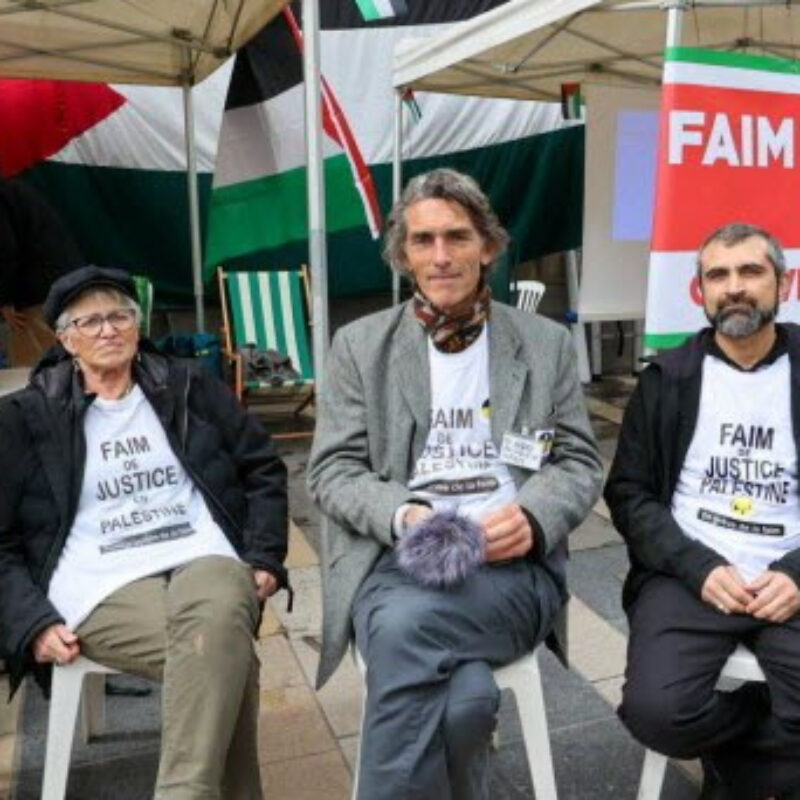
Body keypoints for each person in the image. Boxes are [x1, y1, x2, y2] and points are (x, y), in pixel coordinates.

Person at [307, 168, 603, 799]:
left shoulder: (544, 343)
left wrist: (533, 516)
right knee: (465, 703)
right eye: (423, 240)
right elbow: (332, 471)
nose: (441, 257)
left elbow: (578, 460)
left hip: (512, 571)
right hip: (400, 563)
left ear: (488, 246)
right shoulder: (361, 346)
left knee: (406, 632)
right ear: (403, 253)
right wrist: (405, 516)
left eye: (457, 237)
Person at [0, 265, 289, 799]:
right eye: (90, 322)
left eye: (119, 316)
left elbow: (262, 468)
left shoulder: (188, 386)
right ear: (66, 340)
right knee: (224, 651)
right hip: (100, 580)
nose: (108, 330)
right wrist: (29, 622)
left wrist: (266, 556)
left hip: (202, 555)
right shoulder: (26, 416)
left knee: (217, 624)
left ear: (138, 324)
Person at [605, 223, 800, 800]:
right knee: (656, 713)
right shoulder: (667, 378)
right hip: (693, 578)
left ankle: (741, 776)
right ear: (700, 294)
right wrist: (696, 567)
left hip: (787, 575)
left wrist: (795, 575)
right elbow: (630, 494)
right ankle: (761, 744)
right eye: (718, 275)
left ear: (783, 285)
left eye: (751, 272)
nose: (734, 287)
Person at [0, 177, 84, 366]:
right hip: (66, 284)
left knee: (33, 372)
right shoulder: (13, 189)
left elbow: (5, 250)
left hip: (40, 294)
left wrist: (5, 299)